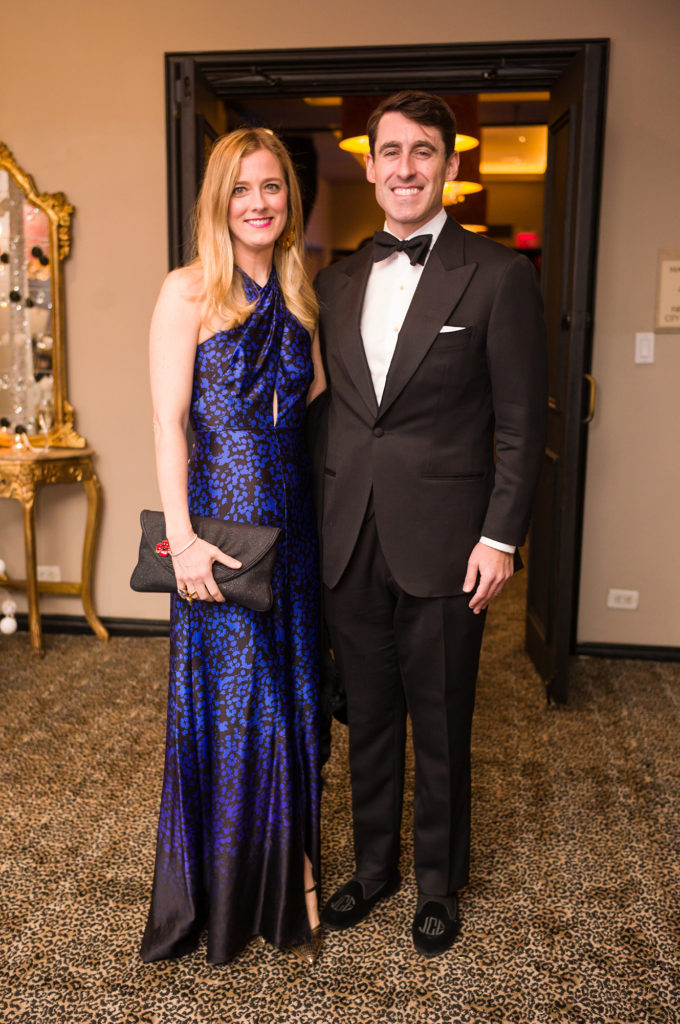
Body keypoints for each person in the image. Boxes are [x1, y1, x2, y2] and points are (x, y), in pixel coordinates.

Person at [315, 91, 547, 957]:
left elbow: (522, 423)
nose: (404, 168)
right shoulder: (336, 281)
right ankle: (373, 868)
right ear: (368, 167)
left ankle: (438, 882)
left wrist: (500, 538)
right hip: (348, 536)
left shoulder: (496, 277)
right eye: (389, 153)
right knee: (368, 714)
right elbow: (331, 417)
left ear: (449, 167)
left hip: (451, 544)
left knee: (443, 718)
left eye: (423, 152)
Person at [140, 127, 326, 966]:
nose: (259, 203)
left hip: (292, 529)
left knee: (291, 703)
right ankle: (222, 892)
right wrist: (181, 541)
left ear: (290, 198)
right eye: (242, 189)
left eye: (273, 187)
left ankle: (292, 877)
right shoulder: (187, 291)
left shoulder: (298, 289)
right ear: (219, 200)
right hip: (217, 534)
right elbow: (166, 423)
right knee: (231, 709)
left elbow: (314, 395)